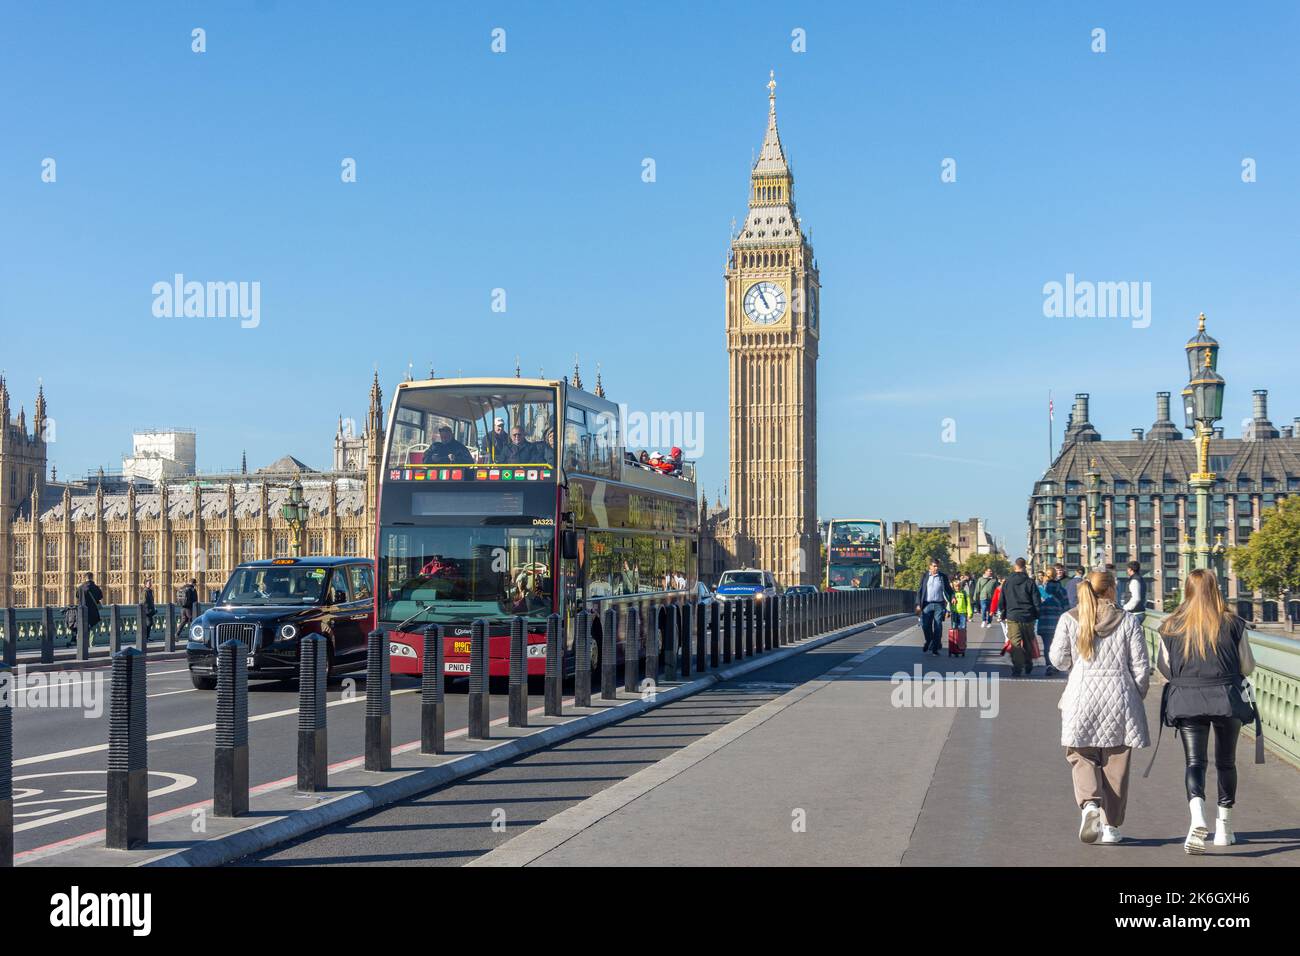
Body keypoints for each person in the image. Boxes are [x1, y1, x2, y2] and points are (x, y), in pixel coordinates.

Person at [1155, 568, 1257, 855]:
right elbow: (1247, 666)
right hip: (1226, 698)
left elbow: (1165, 667)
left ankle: (1197, 816)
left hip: (1187, 700)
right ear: (1216, 589)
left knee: (1194, 762)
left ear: (1187, 590)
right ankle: (1224, 827)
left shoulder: (1169, 625)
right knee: (1226, 762)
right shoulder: (1234, 623)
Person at [1049, 569, 1151, 845]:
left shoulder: (1070, 618)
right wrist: (1135, 695)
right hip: (1119, 694)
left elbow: (1058, 658)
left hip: (1081, 694)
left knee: (1081, 754)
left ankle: (1090, 805)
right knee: (1115, 763)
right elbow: (1141, 667)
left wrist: (1076, 668)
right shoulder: (1129, 620)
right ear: (1110, 590)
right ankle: (1111, 828)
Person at [996, 558, 1041, 676]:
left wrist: (1003, 612)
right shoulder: (1030, 582)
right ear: (1024, 567)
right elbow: (1036, 600)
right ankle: (1028, 662)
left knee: (1015, 643)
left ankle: (1017, 667)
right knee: (1027, 641)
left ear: (1015, 567)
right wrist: (1036, 614)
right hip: (1028, 616)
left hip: (1013, 616)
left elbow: (1002, 600)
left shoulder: (1007, 582)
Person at [914, 559, 954, 657]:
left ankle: (935, 648)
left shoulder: (942, 577)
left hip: (939, 605)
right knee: (925, 625)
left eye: (937, 566)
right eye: (934, 566)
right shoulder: (925, 576)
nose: (936, 568)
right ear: (930, 567)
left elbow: (949, 589)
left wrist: (953, 597)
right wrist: (918, 604)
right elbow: (920, 590)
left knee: (938, 626)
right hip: (927, 604)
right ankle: (929, 641)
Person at [1037, 568, 1068, 677]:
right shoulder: (1062, 590)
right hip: (1058, 622)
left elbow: (1036, 605)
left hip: (1044, 620)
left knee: (1047, 645)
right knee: (1058, 645)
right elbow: (1066, 607)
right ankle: (1055, 665)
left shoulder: (1040, 590)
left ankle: (1049, 665)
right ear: (1056, 576)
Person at [74, 572, 104, 638]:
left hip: (82, 611)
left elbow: (77, 596)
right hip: (93, 611)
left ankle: (83, 642)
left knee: (83, 627)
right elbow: (100, 597)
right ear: (92, 577)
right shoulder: (96, 587)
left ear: (85, 578)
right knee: (93, 627)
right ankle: (91, 644)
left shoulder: (80, 587)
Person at [142, 577, 157, 644]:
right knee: (148, 623)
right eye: (149, 583)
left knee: (150, 623)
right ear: (145, 584)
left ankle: (147, 637)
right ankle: (145, 637)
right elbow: (144, 602)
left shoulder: (149, 591)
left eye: (151, 582)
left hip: (150, 610)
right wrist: (147, 609)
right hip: (147, 611)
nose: (151, 584)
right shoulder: (145, 591)